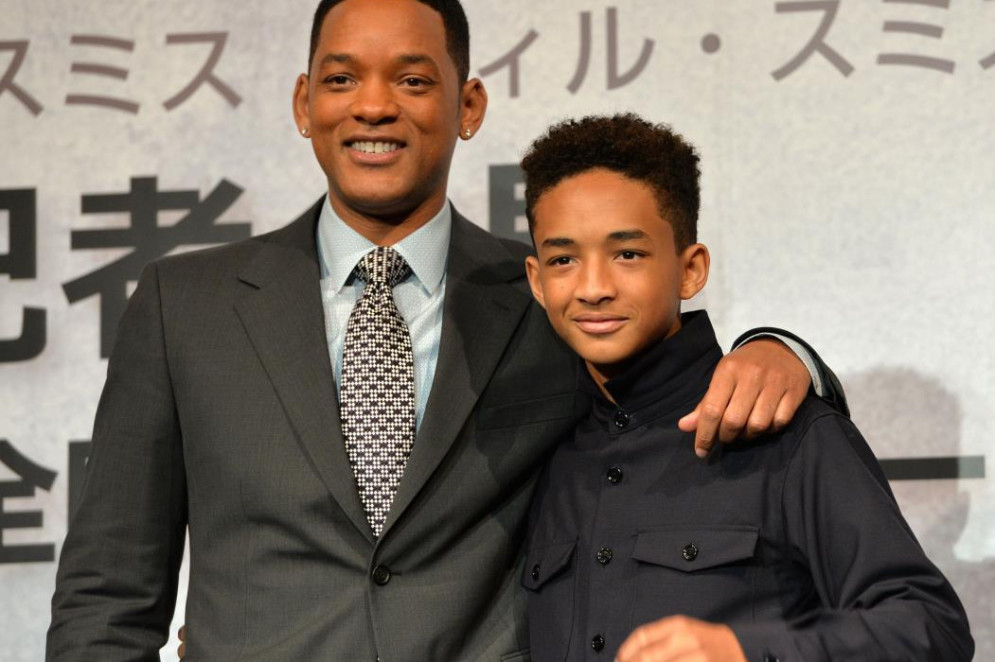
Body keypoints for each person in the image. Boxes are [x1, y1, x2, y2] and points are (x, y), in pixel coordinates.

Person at [46, 2, 846, 661]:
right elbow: (109, 592)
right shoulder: (182, 303)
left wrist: (783, 352)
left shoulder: (547, 292)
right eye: (340, 78)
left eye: (413, 79)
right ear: (303, 104)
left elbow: (674, 381)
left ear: (467, 107)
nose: (372, 105)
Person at [521, 113, 973, 662]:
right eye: (563, 259)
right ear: (537, 281)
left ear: (691, 269)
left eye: (628, 254)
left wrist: (743, 651)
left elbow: (931, 628)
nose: (593, 288)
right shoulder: (541, 454)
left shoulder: (788, 432)